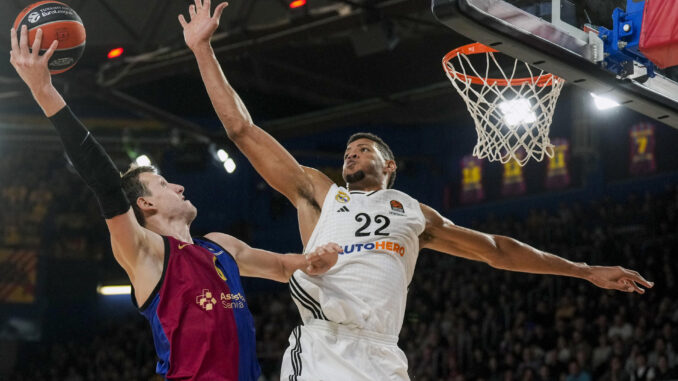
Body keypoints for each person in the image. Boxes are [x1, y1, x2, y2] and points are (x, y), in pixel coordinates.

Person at [180, 1, 654, 379]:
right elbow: (243, 130)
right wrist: (203, 50)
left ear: (389, 164)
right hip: (328, 344)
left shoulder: (415, 214)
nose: (351, 153)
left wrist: (584, 270)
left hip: (385, 354)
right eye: (348, 149)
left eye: (362, 149)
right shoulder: (321, 194)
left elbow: (497, 250)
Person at [9, 22, 340, 381]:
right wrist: (44, 90)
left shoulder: (221, 247)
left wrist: (318, 260)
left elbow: (282, 267)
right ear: (146, 205)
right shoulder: (145, 253)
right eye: (164, 184)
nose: (180, 186)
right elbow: (105, 183)